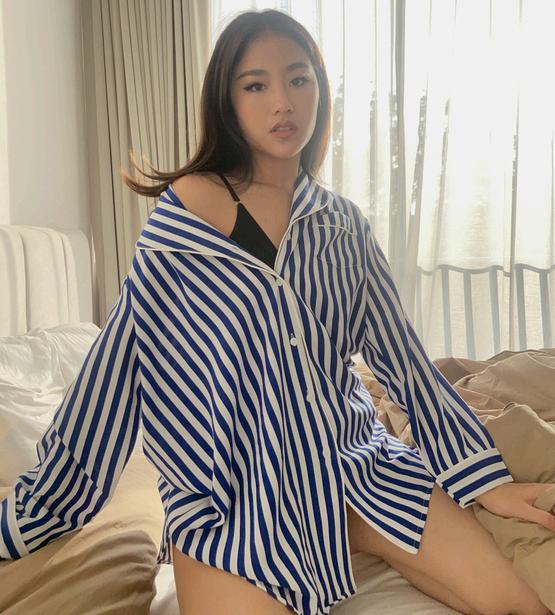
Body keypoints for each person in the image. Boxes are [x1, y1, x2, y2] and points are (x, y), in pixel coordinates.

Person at [1, 8, 553, 615]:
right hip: (230, 500)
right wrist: (37, 512)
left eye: (298, 78)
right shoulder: (185, 217)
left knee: (518, 605)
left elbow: (404, 363)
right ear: (227, 101)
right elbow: (118, 367)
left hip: (356, 467)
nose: (282, 103)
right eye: (255, 85)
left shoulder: (342, 225)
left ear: (319, 87)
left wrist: (484, 481)